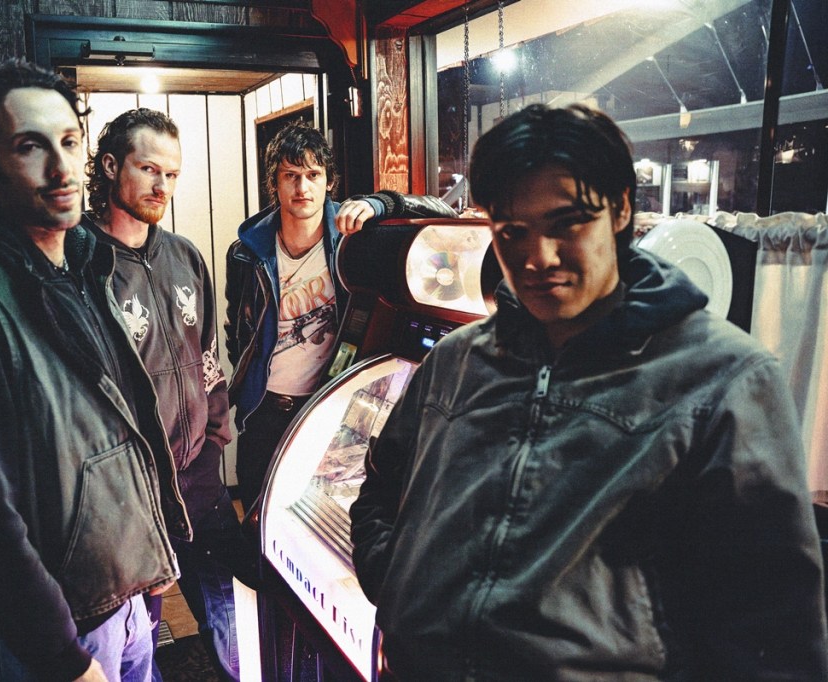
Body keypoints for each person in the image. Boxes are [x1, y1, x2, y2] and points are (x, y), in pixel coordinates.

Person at [350, 103, 828, 680]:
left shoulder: (725, 379)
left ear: (621, 209)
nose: (539, 257)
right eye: (513, 231)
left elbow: (773, 635)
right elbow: (380, 490)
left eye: (567, 223)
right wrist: (399, 585)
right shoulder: (456, 358)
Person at [0, 60, 186, 682]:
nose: (61, 169)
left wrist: (149, 559)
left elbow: (112, 434)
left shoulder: (84, 267)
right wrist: (62, 658)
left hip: (125, 599)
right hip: (59, 632)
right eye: (30, 146)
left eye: (69, 141)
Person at [84, 107, 250, 681]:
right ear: (111, 166)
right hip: (132, 495)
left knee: (230, 613)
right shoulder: (81, 264)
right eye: (149, 169)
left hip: (199, 474)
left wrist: (215, 438)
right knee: (140, 633)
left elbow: (209, 360)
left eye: (172, 174)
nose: (163, 186)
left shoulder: (184, 256)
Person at [224, 122, 457, 510]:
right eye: (290, 176)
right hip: (264, 410)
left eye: (313, 175)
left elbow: (444, 211)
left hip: (332, 405)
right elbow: (238, 330)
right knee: (256, 515)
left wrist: (380, 204)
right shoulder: (245, 253)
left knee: (320, 517)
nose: (302, 187)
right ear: (274, 184)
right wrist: (247, 392)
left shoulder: (354, 238)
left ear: (329, 181)